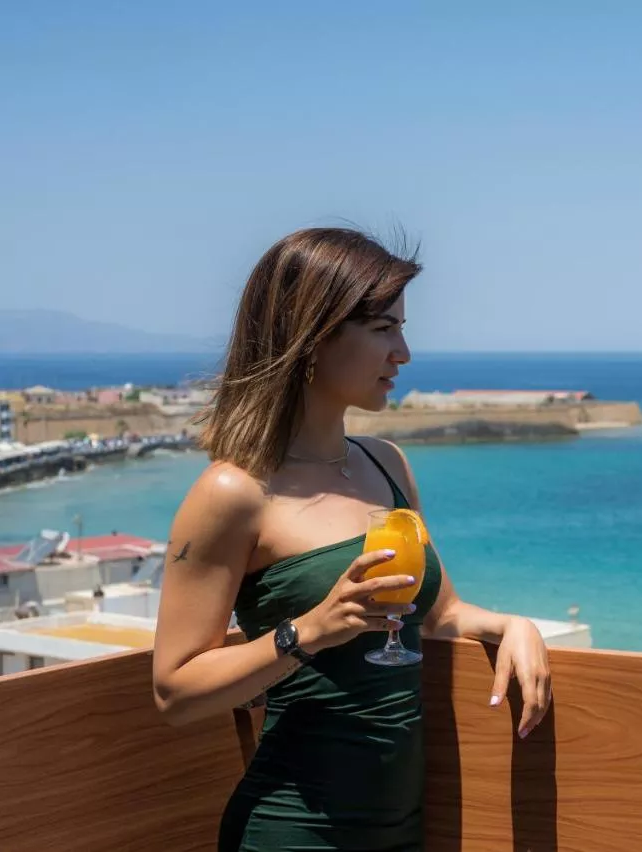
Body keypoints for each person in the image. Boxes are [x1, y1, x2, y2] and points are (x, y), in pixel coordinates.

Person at [151, 228, 552, 851]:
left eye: (402, 329)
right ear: (314, 334)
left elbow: (437, 613)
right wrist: (311, 630)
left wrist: (511, 626)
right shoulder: (232, 491)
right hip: (294, 830)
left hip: (403, 829)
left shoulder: (387, 464)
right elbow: (175, 691)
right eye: (384, 330)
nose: (404, 353)